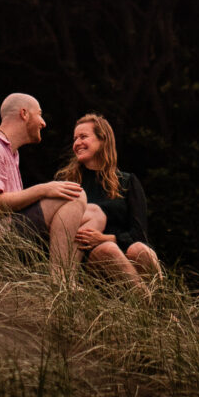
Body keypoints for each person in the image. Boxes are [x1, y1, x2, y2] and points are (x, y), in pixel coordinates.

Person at [0, 92, 86, 278]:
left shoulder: (11, 154)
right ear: (24, 114)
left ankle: (64, 278)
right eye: (40, 114)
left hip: (4, 234)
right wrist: (43, 189)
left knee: (87, 213)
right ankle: (60, 280)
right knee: (75, 195)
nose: (43, 122)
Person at [56, 113, 162, 292]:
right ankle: (150, 307)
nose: (77, 143)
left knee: (140, 250)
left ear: (102, 140)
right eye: (75, 138)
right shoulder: (68, 183)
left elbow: (139, 232)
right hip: (87, 256)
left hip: (125, 249)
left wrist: (106, 237)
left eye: (83, 137)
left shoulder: (127, 182)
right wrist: (101, 242)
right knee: (107, 250)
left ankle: (161, 302)